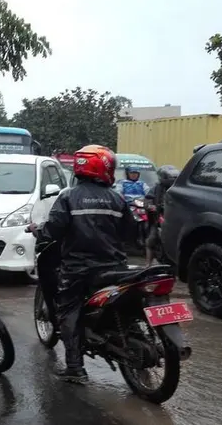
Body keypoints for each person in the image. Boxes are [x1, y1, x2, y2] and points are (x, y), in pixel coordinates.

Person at [28, 145, 134, 384]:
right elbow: (131, 233)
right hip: (115, 267)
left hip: (79, 269)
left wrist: (38, 231)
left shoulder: (68, 196)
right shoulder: (118, 198)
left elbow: (53, 229)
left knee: (68, 309)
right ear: (104, 168)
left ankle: (75, 368)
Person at [144, 165, 179, 266]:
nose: (172, 180)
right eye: (170, 178)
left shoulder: (177, 189)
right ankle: (148, 264)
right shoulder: (157, 188)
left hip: (174, 220)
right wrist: (150, 206)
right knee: (151, 241)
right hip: (159, 219)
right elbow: (148, 198)